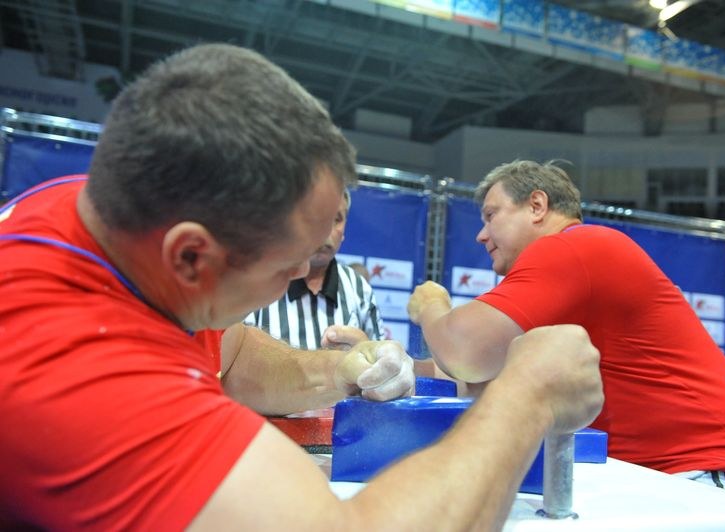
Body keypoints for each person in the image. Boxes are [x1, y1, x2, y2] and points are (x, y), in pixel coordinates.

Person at [0, 45, 604, 529]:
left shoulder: (100, 213)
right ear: (191, 255)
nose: (302, 275)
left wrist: (336, 371)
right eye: (290, 262)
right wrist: (526, 398)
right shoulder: (71, 374)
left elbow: (229, 353)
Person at [407, 159, 725, 507]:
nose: (482, 234)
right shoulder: (565, 282)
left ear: (537, 206)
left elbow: (464, 353)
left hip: (723, 479)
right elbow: (479, 379)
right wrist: (398, 368)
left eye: (491, 215)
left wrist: (430, 306)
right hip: (682, 476)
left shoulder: (576, 247)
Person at [245, 188, 385, 351]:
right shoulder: (261, 282)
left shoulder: (358, 288)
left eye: (336, 219)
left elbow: (379, 360)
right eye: (316, 218)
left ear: (344, 231)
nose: (326, 232)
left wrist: (365, 350)